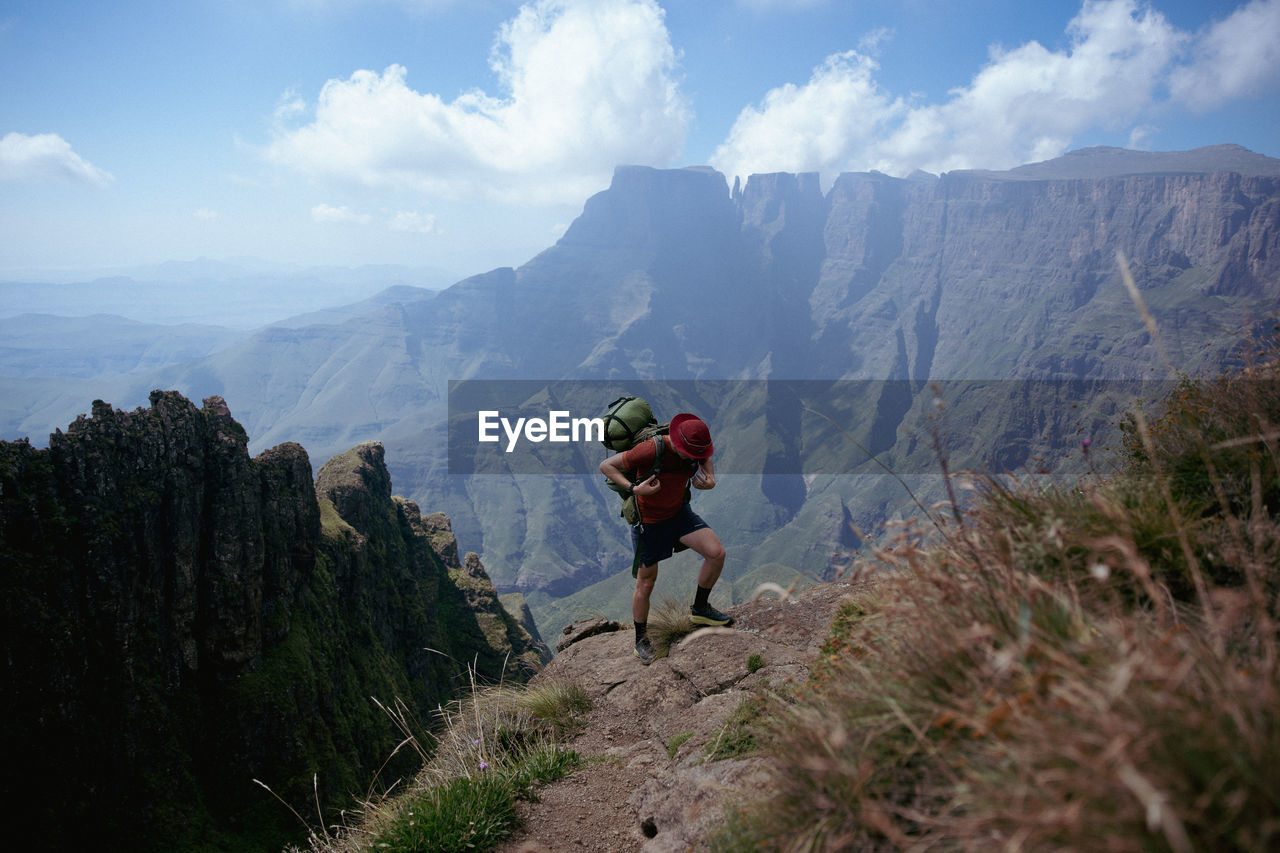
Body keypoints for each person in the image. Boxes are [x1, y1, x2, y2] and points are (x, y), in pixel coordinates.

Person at [599, 412, 733, 664]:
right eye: (689, 454)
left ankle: (700, 610)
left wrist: (711, 479)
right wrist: (633, 489)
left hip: (679, 513)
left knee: (716, 554)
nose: (694, 459)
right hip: (650, 522)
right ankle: (641, 640)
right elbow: (607, 466)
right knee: (646, 582)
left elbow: (705, 458)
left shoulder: (695, 449)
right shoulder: (651, 449)